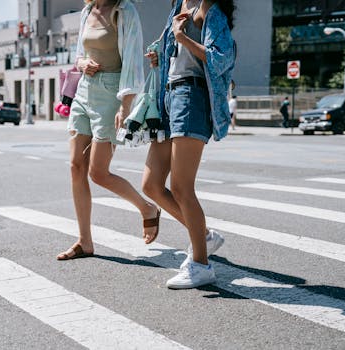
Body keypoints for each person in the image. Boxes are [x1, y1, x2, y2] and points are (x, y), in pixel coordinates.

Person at [57, 0, 161, 260]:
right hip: (84, 91)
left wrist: (125, 106)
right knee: (75, 166)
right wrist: (81, 64)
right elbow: (79, 54)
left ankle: (147, 208)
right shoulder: (86, 11)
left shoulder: (124, 10)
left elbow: (133, 61)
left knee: (98, 173)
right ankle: (85, 241)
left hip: (112, 92)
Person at [143, 0, 235, 289]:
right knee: (151, 185)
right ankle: (203, 235)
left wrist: (182, 38)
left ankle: (201, 264)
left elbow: (222, 58)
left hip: (191, 98)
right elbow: (176, 54)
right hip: (169, 97)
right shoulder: (181, 4)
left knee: (182, 187)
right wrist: (161, 56)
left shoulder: (209, 9)